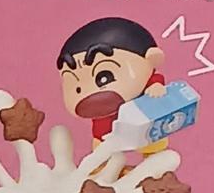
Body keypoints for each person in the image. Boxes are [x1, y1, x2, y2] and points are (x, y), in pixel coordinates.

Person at [57, 16, 167, 148]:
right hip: (104, 135)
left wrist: (156, 86)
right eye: (77, 89)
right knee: (104, 151)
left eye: (104, 78)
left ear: (152, 59)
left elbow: (155, 81)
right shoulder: (100, 113)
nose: (90, 95)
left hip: (145, 129)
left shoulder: (147, 85)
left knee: (153, 146)